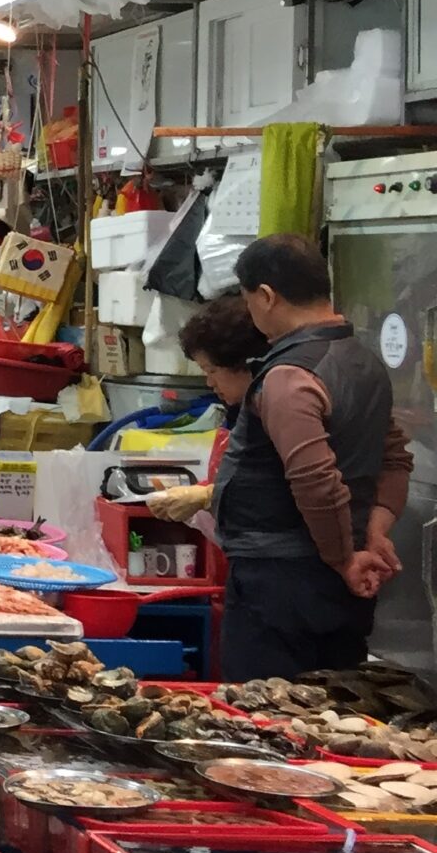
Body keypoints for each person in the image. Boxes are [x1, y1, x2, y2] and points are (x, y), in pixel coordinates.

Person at [203, 234, 413, 680]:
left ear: (266, 296)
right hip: (336, 583)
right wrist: (374, 532)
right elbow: (395, 458)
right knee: (332, 703)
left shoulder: (290, 375)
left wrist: (343, 559)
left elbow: (316, 480)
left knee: (266, 711)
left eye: (249, 301)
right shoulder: (365, 362)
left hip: (282, 585)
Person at [142, 295, 273, 524]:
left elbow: (275, 490)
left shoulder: (275, 413)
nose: (209, 383)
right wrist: (193, 496)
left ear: (244, 364)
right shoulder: (238, 414)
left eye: (211, 371)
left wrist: (207, 496)